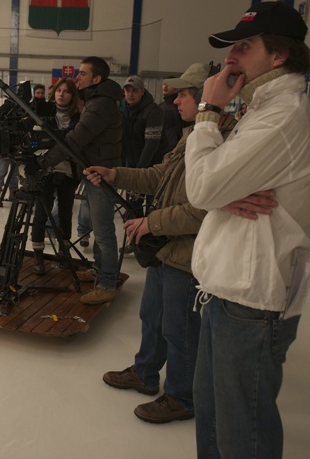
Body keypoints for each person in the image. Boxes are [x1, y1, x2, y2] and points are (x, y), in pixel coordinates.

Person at [184, 1, 310, 458]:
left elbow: (202, 187)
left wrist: (208, 110)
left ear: (279, 55)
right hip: (228, 290)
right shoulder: (262, 108)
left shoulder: (283, 116)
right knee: (214, 417)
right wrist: (220, 191)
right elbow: (213, 186)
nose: (231, 57)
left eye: (244, 47)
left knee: (240, 433)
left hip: (251, 300)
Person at [86, 63, 237, 424]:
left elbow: (203, 209)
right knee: (151, 316)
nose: (176, 100)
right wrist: (115, 174)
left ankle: (182, 396)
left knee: (180, 329)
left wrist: (150, 223)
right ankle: (145, 373)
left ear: (204, 97)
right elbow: (159, 175)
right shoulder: (192, 135)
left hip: (188, 254)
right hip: (165, 248)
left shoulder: (225, 142)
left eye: (183, 94)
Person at [41, 56, 123, 305]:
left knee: (103, 231)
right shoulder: (96, 100)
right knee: (100, 227)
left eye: (83, 73)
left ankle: (107, 284)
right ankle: (100, 270)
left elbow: (76, 139)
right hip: (93, 171)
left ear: (97, 79)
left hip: (101, 175)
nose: (78, 78)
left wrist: (45, 161)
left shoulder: (100, 105)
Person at [31, 78, 82, 274]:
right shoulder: (44, 114)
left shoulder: (79, 118)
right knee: (41, 213)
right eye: (59, 90)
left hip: (68, 172)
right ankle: (38, 255)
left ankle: (63, 253)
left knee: (65, 214)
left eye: (66, 91)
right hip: (46, 170)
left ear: (72, 95)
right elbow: (35, 141)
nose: (61, 94)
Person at [119, 75, 165, 247]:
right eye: (127, 90)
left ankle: (151, 244)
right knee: (132, 207)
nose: (130, 94)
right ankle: (134, 242)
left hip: (154, 167)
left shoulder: (153, 111)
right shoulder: (122, 109)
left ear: (142, 92)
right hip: (133, 164)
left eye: (134, 91)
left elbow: (151, 144)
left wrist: (138, 172)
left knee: (152, 208)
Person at [159, 76, 186, 154]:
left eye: (169, 84)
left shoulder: (180, 107)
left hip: (175, 151)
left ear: (176, 88)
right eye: (164, 84)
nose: (165, 86)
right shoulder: (160, 106)